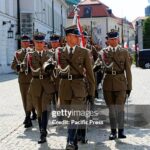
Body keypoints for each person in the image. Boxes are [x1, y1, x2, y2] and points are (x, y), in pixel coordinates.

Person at [55, 25, 95, 150]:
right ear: (68, 37)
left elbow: (90, 73)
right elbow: (56, 71)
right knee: (70, 117)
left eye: (78, 36)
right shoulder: (59, 52)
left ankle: (70, 141)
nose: (78, 38)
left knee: (74, 115)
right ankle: (75, 141)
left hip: (79, 87)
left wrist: (91, 92)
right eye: (75, 36)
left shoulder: (84, 52)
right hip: (64, 87)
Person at [100, 29, 132, 140]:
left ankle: (121, 131)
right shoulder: (104, 52)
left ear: (117, 39)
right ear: (108, 40)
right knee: (111, 109)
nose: (113, 41)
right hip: (108, 83)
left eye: (114, 39)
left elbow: (128, 70)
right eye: (110, 39)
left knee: (120, 108)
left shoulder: (124, 52)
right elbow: (100, 68)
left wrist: (129, 87)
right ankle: (113, 132)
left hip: (121, 83)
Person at [25, 33, 55, 144]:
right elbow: (25, 67)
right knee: (38, 108)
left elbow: (55, 68)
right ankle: (42, 129)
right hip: (35, 83)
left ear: (44, 43)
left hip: (47, 83)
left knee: (44, 107)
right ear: (34, 43)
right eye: (37, 42)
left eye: (41, 42)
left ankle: (43, 132)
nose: (39, 44)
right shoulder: (29, 55)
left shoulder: (50, 54)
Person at [11, 35, 36, 128]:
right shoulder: (17, 53)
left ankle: (34, 112)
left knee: (33, 97)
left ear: (29, 42)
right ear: (21, 43)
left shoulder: (33, 52)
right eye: (23, 41)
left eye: (27, 41)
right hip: (23, 79)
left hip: (33, 78)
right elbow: (13, 65)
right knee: (25, 98)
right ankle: (27, 117)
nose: (25, 43)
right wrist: (17, 67)